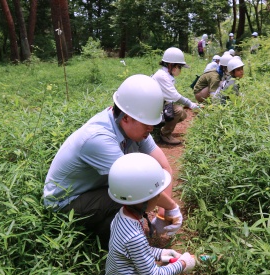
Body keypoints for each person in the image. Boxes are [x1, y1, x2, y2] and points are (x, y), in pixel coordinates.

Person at [42, 74, 183, 248]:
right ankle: (124, 251)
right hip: (64, 203)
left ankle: (104, 236)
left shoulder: (136, 127)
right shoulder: (98, 138)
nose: (151, 129)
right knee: (131, 196)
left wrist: (163, 213)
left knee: (132, 194)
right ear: (125, 118)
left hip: (92, 191)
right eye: (146, 123)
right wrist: (172, 206)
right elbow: (134, 184)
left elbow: (164, 168)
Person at [103, 153, 196, 275]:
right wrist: (183, 264)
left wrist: (162, 253)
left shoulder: (122, 216)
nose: (160, 198)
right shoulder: (134, 236)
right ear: (144, 199)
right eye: (158, 194)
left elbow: (133, 252)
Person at [152, 47, 200, 145]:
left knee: (182, 115)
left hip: (158, 106)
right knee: (178, 111)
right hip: (151, 109)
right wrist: (191, 104)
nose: (180, 70)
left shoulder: (166, 75)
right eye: (179, 66)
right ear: (171, 65)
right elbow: (175, 96)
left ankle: (157, 128)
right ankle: (165, 133)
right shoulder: (162, 76)